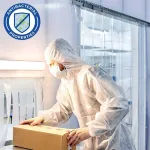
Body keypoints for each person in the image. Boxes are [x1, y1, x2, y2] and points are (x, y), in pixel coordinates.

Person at [21, 38, 135, 150]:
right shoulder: (67, 81)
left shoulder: (90, 73)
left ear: (61, 60)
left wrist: (90, 129)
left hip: (113, 141)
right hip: (91, 142)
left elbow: (118, 104)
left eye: (52, 64)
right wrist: (42, 118)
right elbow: (63, 109)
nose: (51, 68)